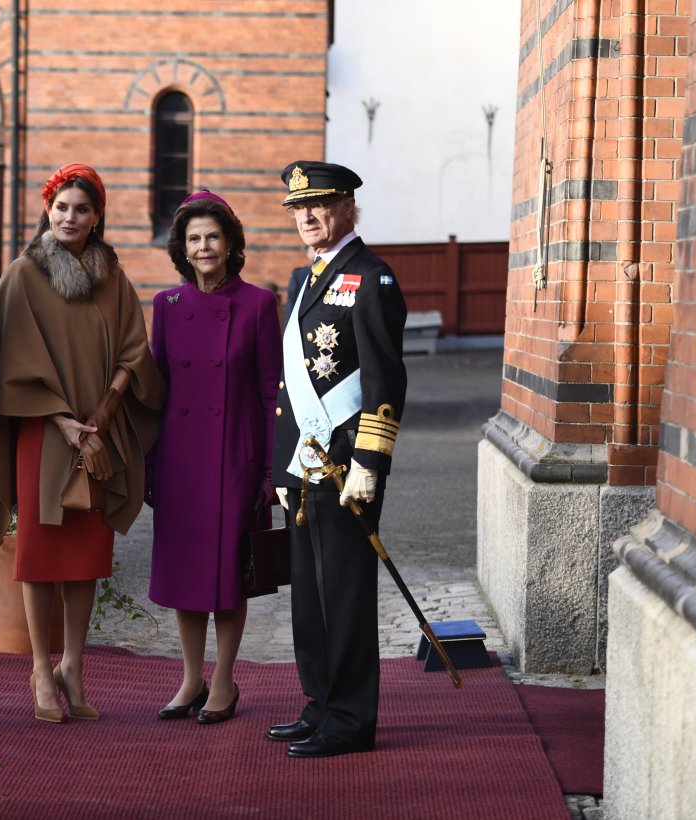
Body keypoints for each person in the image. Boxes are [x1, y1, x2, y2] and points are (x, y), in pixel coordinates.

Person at [0, 164, 163, 723]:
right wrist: (65, 423)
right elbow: (7, 358)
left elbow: (135, 350)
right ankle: (40, 667)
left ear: (97, 216)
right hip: (43, 431)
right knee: (39, 553)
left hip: (99, 434)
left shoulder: (113, 277)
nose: (70, 217)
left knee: (87, 554)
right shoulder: (22, 274)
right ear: (47, 209)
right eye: (62, 207)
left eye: (82, 209)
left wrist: (104, 415)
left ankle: (74, 666)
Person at [268, 160, 408, 758]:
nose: (307, 217)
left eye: (319, 205)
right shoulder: (306, 277)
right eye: (298, 208)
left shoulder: (372, 278)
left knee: (345, 595)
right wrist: (282, 467)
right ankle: (320, 703)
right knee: (310, 595)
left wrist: (369, 466)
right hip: (306, 464)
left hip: (346, 467)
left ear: (349, 206)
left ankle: (351, 720)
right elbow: (289, 382)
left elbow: (384, 379)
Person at [147, 191, 282, 724]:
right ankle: (190, 678)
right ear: (183, 247)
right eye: (194, 238)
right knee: (185, 569)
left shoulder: (257, 305)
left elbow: (273, 392)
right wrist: (150, 463)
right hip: (180, 457)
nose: (204, 247)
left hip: (235, 455)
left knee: (229, 571)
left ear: (230, 244)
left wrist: (271, 469)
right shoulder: (166, 306)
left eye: (213, 237)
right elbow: (157, 391)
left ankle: (224, 679)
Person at [283, 246, 317, 317]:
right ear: (307, 253)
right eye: (313, 250)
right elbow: (291, 302)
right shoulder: (299, 274)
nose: (316, 252)